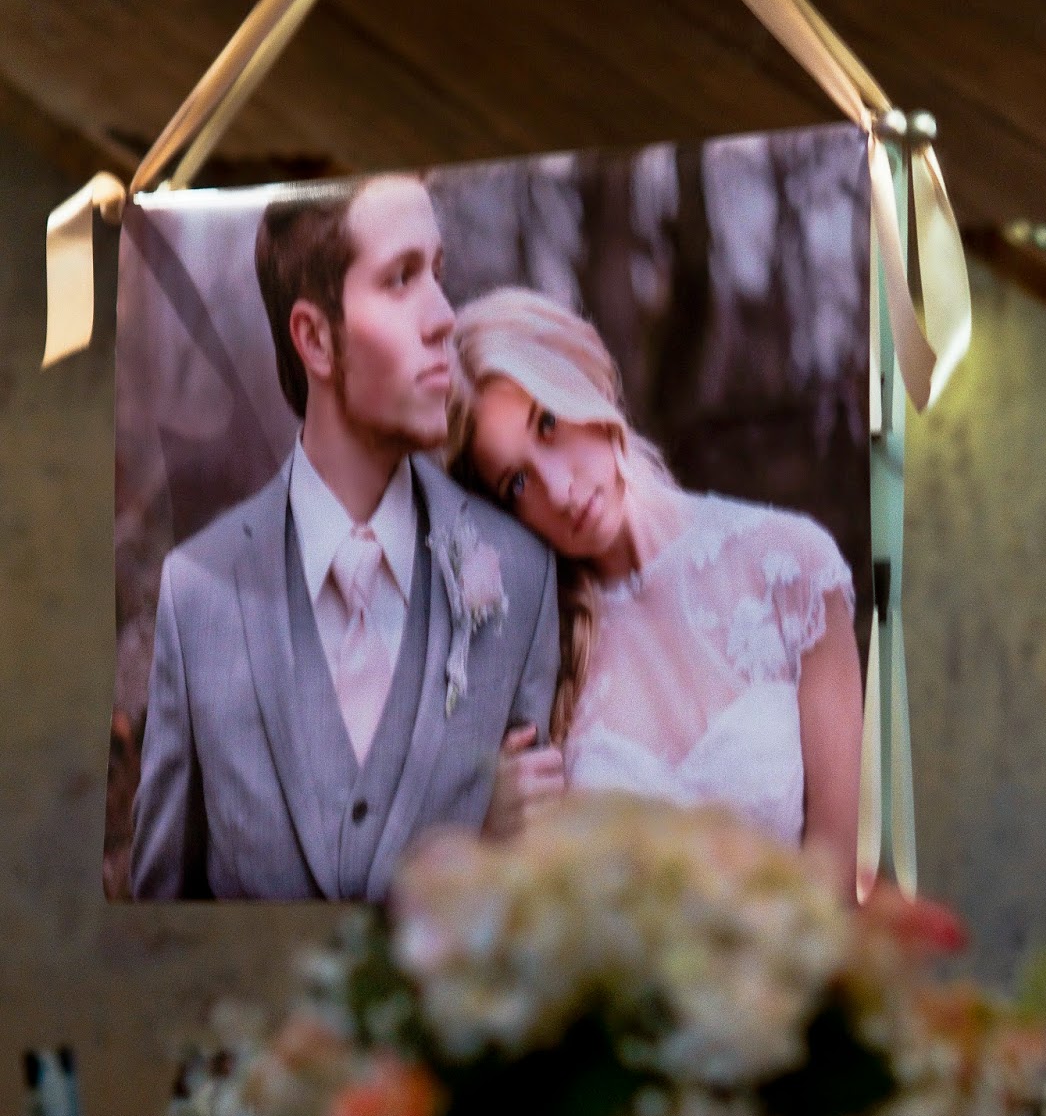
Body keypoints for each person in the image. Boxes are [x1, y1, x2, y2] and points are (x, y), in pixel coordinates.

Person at [131, 178, 559, 900]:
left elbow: (536, 921)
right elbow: (158, 931)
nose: (443, 318)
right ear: (316, 339)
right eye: (400, 279)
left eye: (438, 273)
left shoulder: (517, 574)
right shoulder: (197, 592)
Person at [446, 286, 863, 894]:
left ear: (584, 376)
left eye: (548, 423)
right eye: (516, 483)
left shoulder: (794, 569)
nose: (560, 490)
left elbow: (840, 890)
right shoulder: (531, 663)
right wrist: (488, 826)